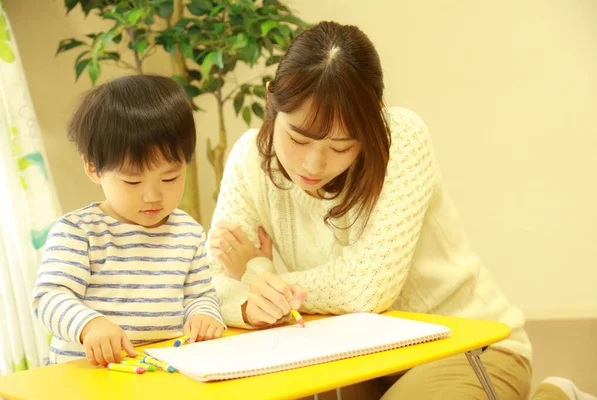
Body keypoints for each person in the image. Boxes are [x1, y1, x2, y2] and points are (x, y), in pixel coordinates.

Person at [207, 21, 533, 399]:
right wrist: (250, 300)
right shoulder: (249, 159)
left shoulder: (403, 139)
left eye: (340, 147)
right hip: (352, 353)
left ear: (373, 119)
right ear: (271, 101)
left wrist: (257, 273)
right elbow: (211, 284)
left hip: (465, 343)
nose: (313, 165)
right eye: (297, 138)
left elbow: (368, 288)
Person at [32, 75, 224, 366]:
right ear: (93, 168)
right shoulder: (79, 232)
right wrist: (89, 325)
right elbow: (49, 297)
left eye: (170, 177)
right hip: (87, 379)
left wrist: (204, 315)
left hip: (159, 373)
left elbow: (201, 294)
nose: (152, 196)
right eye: (132, 181)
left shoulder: (187, 232)